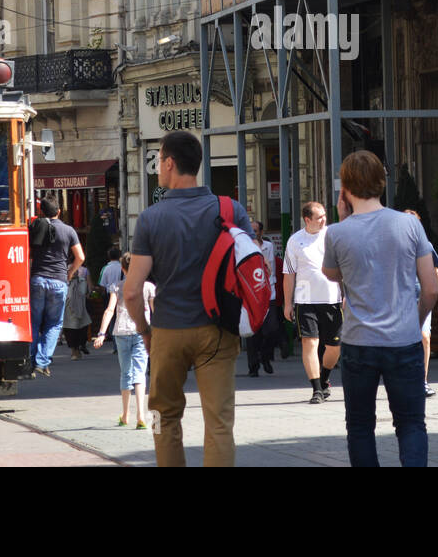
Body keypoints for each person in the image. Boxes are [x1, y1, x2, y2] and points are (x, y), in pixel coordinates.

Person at [124, 130, 252, 467]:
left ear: (169, 163)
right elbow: (250, 269)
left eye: (159, 163)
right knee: (220, 422)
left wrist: (143, 329)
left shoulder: (152, 217)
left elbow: (133, 290)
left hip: (168, 330)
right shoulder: (231, 210)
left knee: (161, 415)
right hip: (218, 330)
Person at [321, 151, 438, 467]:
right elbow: (430, 289)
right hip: (404, 339)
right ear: (382, 183)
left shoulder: (336, 232)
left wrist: (343, 218)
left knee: (360, 426)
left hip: (359, 342)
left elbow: (331, 274)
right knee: (411, 423)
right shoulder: (409, 225)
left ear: (344, 189)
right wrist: (415, 323)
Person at [283, 202, 343, 403]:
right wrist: (287, 303)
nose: (324, 219)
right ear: (307, 220)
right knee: (310, 343)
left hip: (332, 300)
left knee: (334, 347)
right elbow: (289, 275)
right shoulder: (295, 241)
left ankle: (324, 379)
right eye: (319, 217)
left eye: (324, 215)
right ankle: (317, 389)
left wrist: (347, 295)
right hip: (305, 301)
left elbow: (345, 267)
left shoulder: (332, 236)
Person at [94, 252, 155, 428]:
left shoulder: (117, 287)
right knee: (140, 373)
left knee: (126, 373)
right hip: (142, 332)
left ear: (122, 268)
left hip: (120, 332)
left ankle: (126, 414)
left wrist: (101, 333)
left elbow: (109, 310)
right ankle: (141, 415)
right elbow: (155, 312)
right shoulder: (149, 287)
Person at [28, 195, 85, 377]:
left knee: (35, 322)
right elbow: (80, 257)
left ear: (41, 212)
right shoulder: (69, 231)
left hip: (37, 278)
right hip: (59, 280)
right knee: (53, 323)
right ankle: (42, 361)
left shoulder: (35, 228)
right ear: (59, 211)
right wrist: (70, 272)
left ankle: (31, 360)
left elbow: (28, 254)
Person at [405, 211, 438, 397]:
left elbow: (436, 272)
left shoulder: (426, 245)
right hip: (401, 301)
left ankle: (422, 381)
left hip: (422, 298)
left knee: (424, 337)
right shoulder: (393, 244)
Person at [245, 220, 279, 377]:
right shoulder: (243, 248)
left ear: (261, 232)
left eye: (256, 231)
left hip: (268, 291)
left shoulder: (268, 247)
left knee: (272, 329)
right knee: (253, 332)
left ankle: (265, 356)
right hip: (251, 294)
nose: (254, 234)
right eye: (251, 231)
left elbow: (271, 269)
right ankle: (253, 365)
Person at [98, 247, 124, 353]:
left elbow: (102, 284)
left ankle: (115, 345)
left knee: (112, 318)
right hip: (123, 293)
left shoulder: (105, 268)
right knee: (122, 316)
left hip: (110, 294)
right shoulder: (123, 267)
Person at [63, 266, 92, 359]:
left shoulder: (82, 282)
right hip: (68, 311)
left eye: (75, 271)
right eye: (71, 271)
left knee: (81, 330)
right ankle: (74, 351)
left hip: (81, 310)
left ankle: (79, 348)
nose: (73, 273)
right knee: (70, 331)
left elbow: (88, 293)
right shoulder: (64, 283)